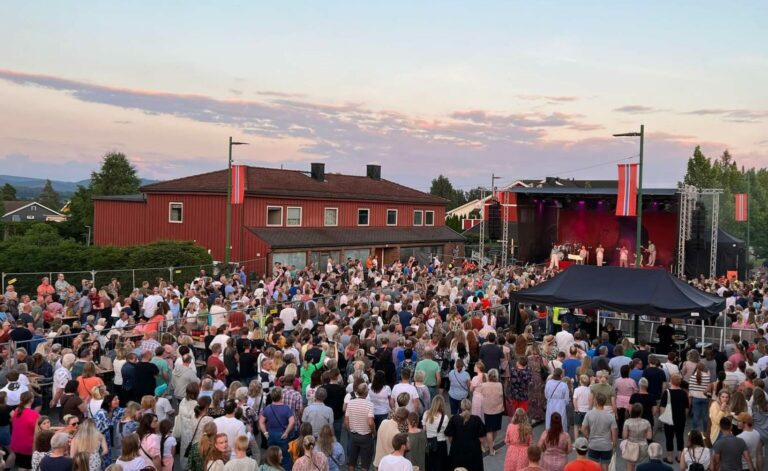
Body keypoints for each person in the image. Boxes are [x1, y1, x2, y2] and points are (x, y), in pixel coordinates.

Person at [259, 387, 295, 471]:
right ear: (281, 396)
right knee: (285, 456)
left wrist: (265, 432)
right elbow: (292, 422)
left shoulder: (268, 408)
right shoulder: (286, 408)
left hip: (271, 435)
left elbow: (261, 422)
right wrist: (286, 432)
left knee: (272, 456)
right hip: (282, 435)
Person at [444, 398, 485, 471]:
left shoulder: (454, 419)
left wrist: (454, 443)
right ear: (470, 407)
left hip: (457, 450)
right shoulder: (476, 419)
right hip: (473, 451)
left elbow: (449, 435)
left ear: (461, 407)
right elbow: (481, 438)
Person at [581, 393, 617, 471]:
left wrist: (588, 437)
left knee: (592, 467)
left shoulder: (589, 414)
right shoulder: (610, 416)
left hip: (593, 444)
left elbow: (583, 429)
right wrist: (614, 444)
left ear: (596, 401)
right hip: (606, 446)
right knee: (605, 467)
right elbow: (614, 432)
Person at [344, 383, 375, 471]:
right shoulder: (370, 405)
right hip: (366, 436)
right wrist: (373, 432)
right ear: (366, 393)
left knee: (352, 462)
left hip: (354, 435)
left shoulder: (350, 403)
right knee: (364, 464)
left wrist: (350, 430)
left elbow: (346, 421)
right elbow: (370, 422)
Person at [659, 374, 688, 464]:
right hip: (680, 418)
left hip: (669, 419)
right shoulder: (683, 393)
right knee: (680, 437)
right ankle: (679, 457)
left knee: (669, 437)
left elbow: (662, 407)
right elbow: (686, 408)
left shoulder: (667, 392)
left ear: (671, 381)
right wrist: (684, 417)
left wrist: (663, 416)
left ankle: (670, 457)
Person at [476, 368, 504, 455]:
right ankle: (491, 447)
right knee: (495, 430)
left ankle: (490, 446)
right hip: (498, 410)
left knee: (489, 430)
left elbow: (477, 392)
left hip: (488, 410)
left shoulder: (484, 385)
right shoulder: (499, 385)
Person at [11, 391, 39, 471]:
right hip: (28, 447)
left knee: (21, 467)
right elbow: (37, 434)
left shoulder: (17, 410)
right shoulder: (34, 414)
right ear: (31, 400)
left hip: (16, 444)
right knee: (31, 468)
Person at [622, 403, 652, 471]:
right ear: (641, 412)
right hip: (643, 447)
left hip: (631, 447)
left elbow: (624, 436)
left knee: (630, 466)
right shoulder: (646, 422)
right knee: (641, 467)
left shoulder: (627, 422)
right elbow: (649, 437)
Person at [422, 395, 448, 471]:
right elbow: (446, 432)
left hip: (429, 443)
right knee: (441, 466)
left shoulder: (426, 414)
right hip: (440, 444)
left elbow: (424, 429)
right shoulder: (444, 417)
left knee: (430, 465)